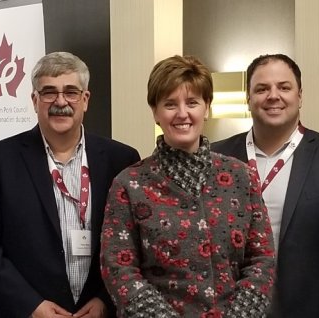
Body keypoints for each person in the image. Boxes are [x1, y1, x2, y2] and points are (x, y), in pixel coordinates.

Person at [0, 51, 140, 318]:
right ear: (34, 100)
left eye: (71, 92)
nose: (60, 102)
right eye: (49, 92)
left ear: (85, 99)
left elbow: (134, 244)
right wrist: (30, 305)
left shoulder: (121, 160)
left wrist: (106, 299)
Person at [101, 55, 275, 317]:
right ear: (155, 112)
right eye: (170, 104)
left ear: (206, 108)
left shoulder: (241, 177)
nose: (182, 113)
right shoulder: (129, 184)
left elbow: (262, 260)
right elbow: (119, 269)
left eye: (192, 102)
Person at [212, 53, 319, 317]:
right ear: (248, 99)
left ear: (300, 96)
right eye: (262, 89)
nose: (273, 95)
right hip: (231, 308)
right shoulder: (216, 159)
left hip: (312, 309)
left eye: (284, 87)